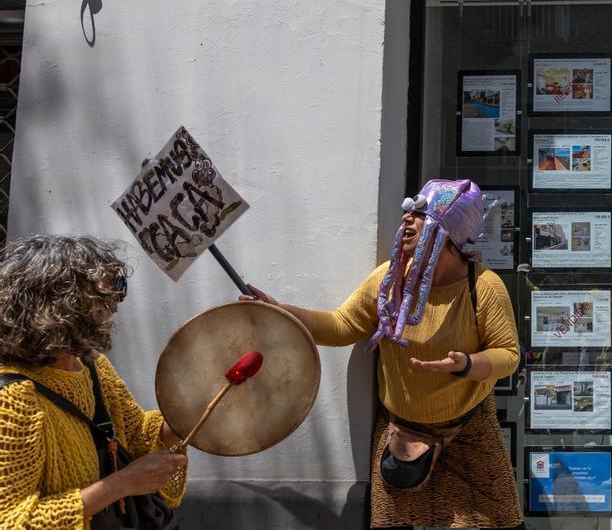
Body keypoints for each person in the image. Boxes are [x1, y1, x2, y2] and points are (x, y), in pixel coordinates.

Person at [246, 179, 524, 529]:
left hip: (468, 433)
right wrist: (279, 312)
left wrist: (467, 364)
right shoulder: (390, 281)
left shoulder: (482, 286)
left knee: (498, 522)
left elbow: (508, 354)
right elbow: (341, 325)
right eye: (407, 212)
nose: (406, 220)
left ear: (448, 232)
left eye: (419, 214)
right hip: (401, 435)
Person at [0, 235, 188, 528]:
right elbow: (10, 522)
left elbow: (135, 434)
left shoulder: (91, 365)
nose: (115, 302)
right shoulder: (11, 399)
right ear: (61, 305)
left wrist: (191, 413)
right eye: (104, 293)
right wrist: (120, 485)